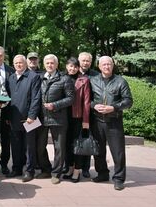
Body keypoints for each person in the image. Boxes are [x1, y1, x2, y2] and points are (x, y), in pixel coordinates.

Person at [90, 56, 133, 190]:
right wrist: (94, 106)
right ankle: (102, 173)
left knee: (118, 152)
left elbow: (128, 101)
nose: (106, 66)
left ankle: (119, 178)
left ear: (112, 66)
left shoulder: (120, 81)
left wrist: (113, 107)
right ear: (99, 66)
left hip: (114, 121)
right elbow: (87, 99)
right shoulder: (93, 80)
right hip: (97, 121)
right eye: (104, 64)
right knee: (98, 150)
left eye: (109, 64)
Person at [37, 54, 74, 184]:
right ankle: (46, 169)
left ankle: (56, 173)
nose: (50, 65)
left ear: (57, 65)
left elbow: (71, 98)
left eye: (52, 63)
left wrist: (55, 105)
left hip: (58, 118)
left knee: (59, 148)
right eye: (47, 63)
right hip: (41, 118)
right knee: (39, 146)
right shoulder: (40, 78)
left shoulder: (64, 79)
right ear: (44, 65)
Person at [5, 55, 42, 182]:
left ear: (25, 63)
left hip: (29, 119)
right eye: (16, 63)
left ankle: (29, 171)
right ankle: (16, 169)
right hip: (14, 118)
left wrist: (32, 115)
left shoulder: (34, 77)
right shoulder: (11, 78)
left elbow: (36, 98)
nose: (18, 65)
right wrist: (8, 116)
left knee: (29, 146)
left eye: (21, 63)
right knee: (15, 145)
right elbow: (8, 99)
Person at [62, 57, 91, 183]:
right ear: (66, 66)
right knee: (67, 145)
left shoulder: (84, 80)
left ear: (78, 68)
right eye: (70, 66)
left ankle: (77, 170)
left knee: (77, 145)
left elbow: (86, 102)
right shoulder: (62, 78)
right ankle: (69, 168)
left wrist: (85, 120)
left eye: (75, 66)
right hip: (64, 117)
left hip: (77, 117)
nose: (72, 68)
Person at [0, 46, 14, 175]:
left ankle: (4, 163)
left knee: (6, 139)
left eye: (1, 55)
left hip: (6, 111)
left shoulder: (11, 71)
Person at [77, 51, 99, 178]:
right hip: (73, 114)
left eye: (88, 61)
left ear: (91, 62)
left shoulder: (96, 75)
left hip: (89, 113)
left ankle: (85, 168)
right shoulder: (73, 73)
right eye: (83, 60)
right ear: (79, 61)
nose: (85, 63)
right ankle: (70, 165)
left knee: (86, 140)